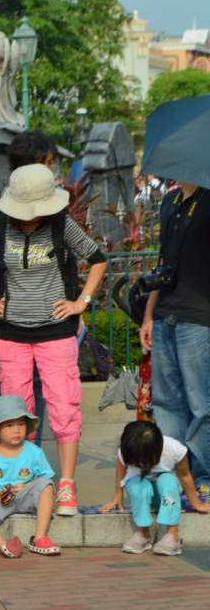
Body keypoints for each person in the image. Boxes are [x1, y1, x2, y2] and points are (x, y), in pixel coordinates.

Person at [0, 164, 107, 516]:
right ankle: (23, 480)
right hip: (11, 333)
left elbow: (98, 259)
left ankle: (66, 484)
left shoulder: (61, 225)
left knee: (64, 406)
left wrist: (80, 302)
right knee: (17, 408)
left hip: (56, 331)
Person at [0, 131, 58, 444]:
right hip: (11, 315)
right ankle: (19, 454)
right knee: (18, 388)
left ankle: (30, 454)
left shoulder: (49, 206)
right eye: (50, 163)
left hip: (45, 315)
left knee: (39, 387)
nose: (53, 171)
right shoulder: (1, 206)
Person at [139, 179, 210, 492]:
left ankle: (203, 475)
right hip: (165, 312)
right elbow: (162, 263)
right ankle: (174, 475)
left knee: (201, 403)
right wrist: (148, 315)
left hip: (199, 315)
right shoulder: (169, 202)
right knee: (167, 402)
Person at [0, 395, 60, 558]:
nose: (17, 430)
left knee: (46, 484)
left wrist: (27, 485)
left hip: (26, 497)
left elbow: (45, 477)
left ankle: (40, 538)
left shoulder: (34, 451)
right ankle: (3, 545)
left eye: (21, 424)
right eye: (9, 425)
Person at [100, 420, 210, 555]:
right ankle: (143, 533)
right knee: (138, 486)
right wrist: (117, 496)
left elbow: (185, 475)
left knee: (168, 481)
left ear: (158, 449)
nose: (141, 462)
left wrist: (196, 503)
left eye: (145, 458)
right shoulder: (126, 450)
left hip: (165, 497)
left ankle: (172, 535)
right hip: (142, 496)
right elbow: (121, 476)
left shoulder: (174, 449)